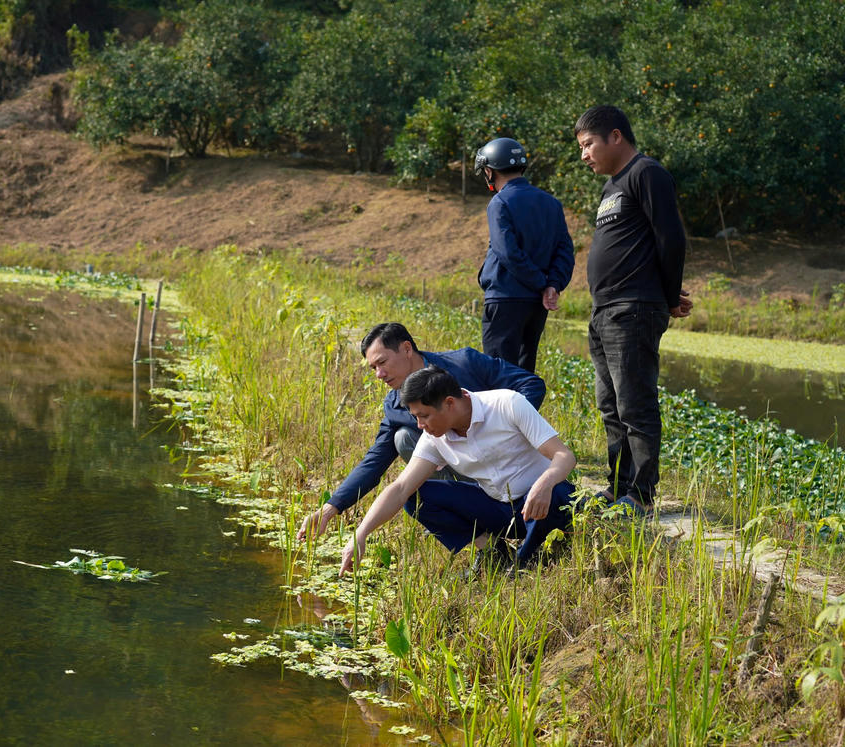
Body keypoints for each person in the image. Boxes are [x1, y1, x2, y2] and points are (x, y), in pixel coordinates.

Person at [297, 322, 544, 541]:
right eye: (373, 368)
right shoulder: (394, 405)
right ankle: (484, 543)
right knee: (403, 438)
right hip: (466, 471)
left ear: (406, 349)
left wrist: (507, 429)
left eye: (382, 363)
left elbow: (531, 384)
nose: (379, 375)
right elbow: (375, 461)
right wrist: (330, 509)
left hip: (513, 468)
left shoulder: (464, 363)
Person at [338, 365, 577, 573]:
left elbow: (564, 456)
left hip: (544, 503)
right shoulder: (434, 436)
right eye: (416, 417)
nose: (420, 425)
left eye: (424, 416)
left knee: (556, 492)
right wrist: (361, 533)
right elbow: (400, 488)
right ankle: (494, 553)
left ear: (449, 403)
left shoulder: (507, 404)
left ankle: (528, 560)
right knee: (416, 497)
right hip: (500, 509)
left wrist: (544, 483)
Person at [574, 105, 693, 515]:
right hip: (604, 310)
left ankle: (641, 494)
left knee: (635, 403)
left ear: (616, 137)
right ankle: (619, 486)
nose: (584, 154)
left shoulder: (647, 173)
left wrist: (668, 294)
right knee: (610, 405)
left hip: (633, 309)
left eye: (588, 144)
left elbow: (670, 238)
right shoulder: (611, 188)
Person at [475, 137, 575, 373]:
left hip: (504, 298)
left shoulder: (499, 203)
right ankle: (524, 411)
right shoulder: (552, 204)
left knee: (498, 373)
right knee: (524, 370)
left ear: (489, 171)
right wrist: (552, 285)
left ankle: (502, 413)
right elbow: (565, 251)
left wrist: (542, 284)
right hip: (536, 304)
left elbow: (507, 252)